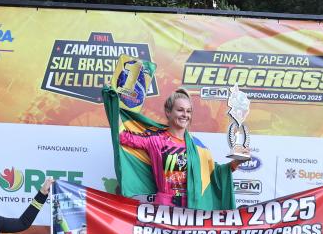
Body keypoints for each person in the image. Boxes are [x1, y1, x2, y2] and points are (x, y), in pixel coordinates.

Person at [103, 86, 245, 209]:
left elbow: (214, 173)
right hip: (164, 209)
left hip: (191, 209)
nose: (185, 115)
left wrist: (235, 163)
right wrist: (113, 102)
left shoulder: (197, 145)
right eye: (180, 110)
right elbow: (122, 136)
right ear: (168, 112)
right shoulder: (155, 140)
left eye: (188, 111)